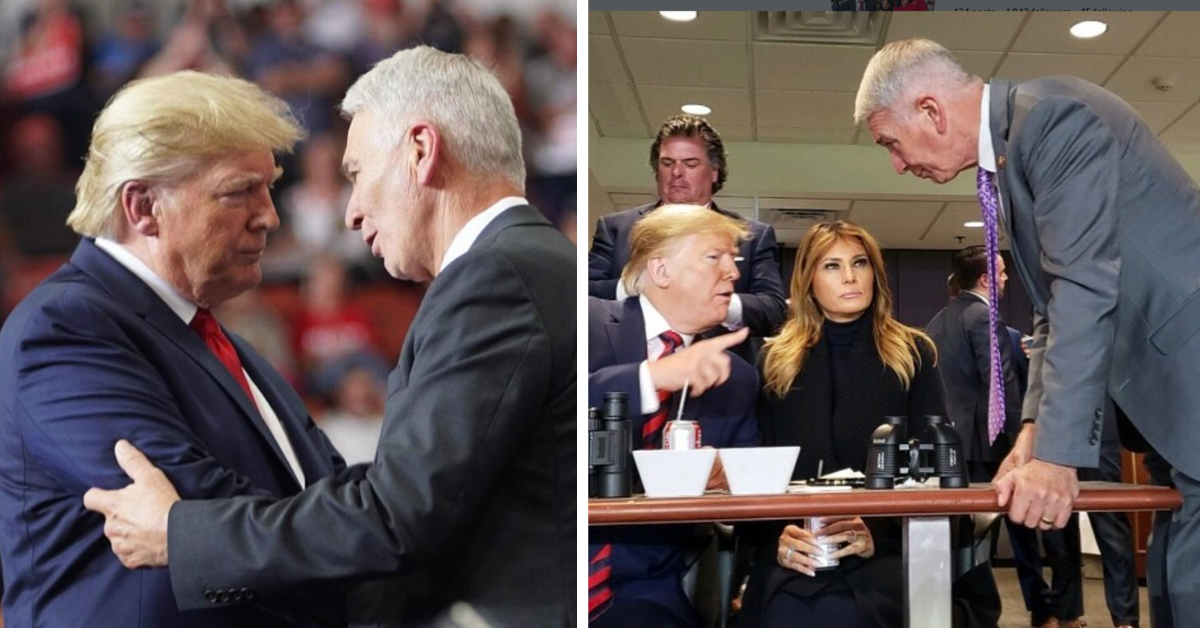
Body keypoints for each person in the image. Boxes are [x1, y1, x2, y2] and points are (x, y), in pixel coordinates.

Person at [82, 46, 575, 628]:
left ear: (421, 150)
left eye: (357, 175)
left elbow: (397, 518)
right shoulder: (531, 261)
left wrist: (181, 535)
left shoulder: (493, 277)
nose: (352, 213)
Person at [855, 37, 1200, 624]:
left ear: (931, 112)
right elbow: (1050, 308)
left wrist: (1058, 460)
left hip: (1185, 370)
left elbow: (1086, 290)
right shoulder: (1016, 145)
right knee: (1175, 557)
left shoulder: (1052, 120)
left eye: (890, 141)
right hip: (1166, 390)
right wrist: (1034, 432)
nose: (896, 163)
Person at [0, 71, 347, 627]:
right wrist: (377, 556)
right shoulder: (63, 329)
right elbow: (209, 514)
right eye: (240, 191)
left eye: (271, 186)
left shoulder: (208, 335)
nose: (270, 216)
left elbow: (321, 486)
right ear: (142, 208)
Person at [738, 221, 999, 628]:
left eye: (859, 263)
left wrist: (876, 533)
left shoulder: (912, 353)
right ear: (807, 280)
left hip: (888, 547)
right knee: (787, 613)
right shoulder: (774, 361)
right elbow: (757, 472)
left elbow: (938, 474)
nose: (849, 277)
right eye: (832, 266)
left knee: (848, 614)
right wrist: (779, 539)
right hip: (798, 549)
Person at [587, 204, 759, 628]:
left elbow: (751, 494)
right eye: (713, 257)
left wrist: (728, 482)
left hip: (649, 589)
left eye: (733, 260)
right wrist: (651, 377)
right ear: (661, 271)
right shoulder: (583, 322)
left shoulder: (736, 377)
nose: (733, 273)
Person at [587, 114, 787, 360]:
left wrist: (715, 302)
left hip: (718, 378)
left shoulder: (751, 236)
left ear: (714, 172)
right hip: (627, 373)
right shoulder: (616, 228)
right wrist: (638, 287)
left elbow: (774, 310)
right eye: (667, 163)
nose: (677, 173)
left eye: (690, 164)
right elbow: (583, 292)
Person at [926, 245, 1022, 482]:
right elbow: (999, 381)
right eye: (1001, 273)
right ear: (986, 280)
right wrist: (1018, 433)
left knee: (961, 515)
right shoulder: (983, 315)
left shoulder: (937, 320)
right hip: (983, 441)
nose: (1006, 278)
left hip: (947, 438)